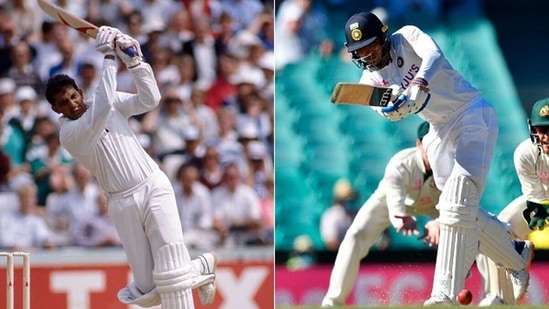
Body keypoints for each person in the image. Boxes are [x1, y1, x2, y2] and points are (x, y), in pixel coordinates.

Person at [338, 12, 533, 306]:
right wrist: (396, 108)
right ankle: (515, 254)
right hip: (438, 131)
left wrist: (418, 83)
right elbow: (386, 110)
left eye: (371, 47)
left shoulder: (407, 37)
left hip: (471, 113)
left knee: (456, 204)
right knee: (453, 206)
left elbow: (434, 54)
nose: (368, 56)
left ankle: (443, 293)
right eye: (360, 52)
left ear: (385, 38)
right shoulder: (370, 80)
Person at [44, 26, 216, 308]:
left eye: (74, 96)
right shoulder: (70, 135)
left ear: (79, 91)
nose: (73, 104)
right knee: (149, 289)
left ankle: (191, 270)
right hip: (121, 202)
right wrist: (110, 58)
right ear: (56, 110)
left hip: (152, 185)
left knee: (171, 269)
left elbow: (150, 100)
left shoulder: (108, 102)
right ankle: (201, 266)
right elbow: (100, 111)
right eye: (64, 103)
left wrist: (135, 63)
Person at [321, 121, 442, 307]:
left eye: (438, 144)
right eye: (429, 144)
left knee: (478, 230)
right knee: (355, 235)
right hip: (389, 202)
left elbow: (456, 205)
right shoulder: (401, 163)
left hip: (433, 203)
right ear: (419, 143)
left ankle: (489, 294)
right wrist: (400, 217)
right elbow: (395, 200)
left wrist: (439, 222)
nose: (434, 151)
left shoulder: (449, 166)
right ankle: (333, 301)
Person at [476, 97, 549, 305]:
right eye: (541, 129)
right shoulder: (525, 153)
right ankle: (498, 297)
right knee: (496, 229)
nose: (546, 137)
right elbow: (534, 197)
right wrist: (537, 212)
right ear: (532, 128)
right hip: (541, 199)